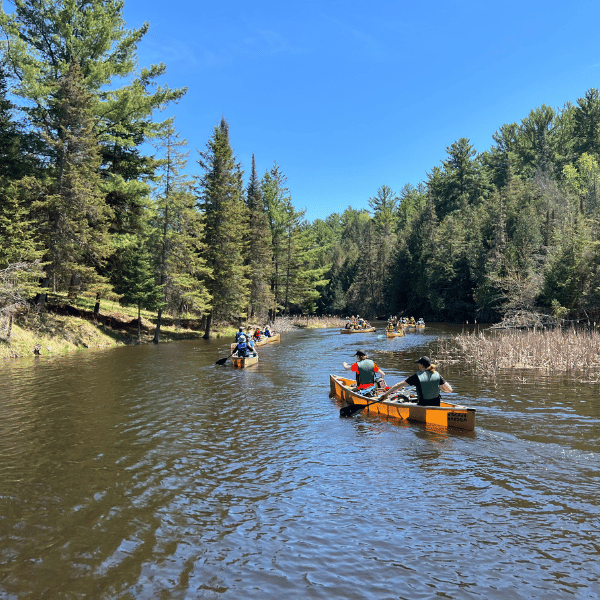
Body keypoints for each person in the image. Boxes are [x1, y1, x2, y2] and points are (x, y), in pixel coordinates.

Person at [383, 356, 452, 406]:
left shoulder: (417, 376)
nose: (418, 366)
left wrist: (386, 394)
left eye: (418, 364)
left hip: (423, 405)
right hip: (436, 405)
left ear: (422, 365)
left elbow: (399, 385)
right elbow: (449, 390)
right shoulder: (437, 374)